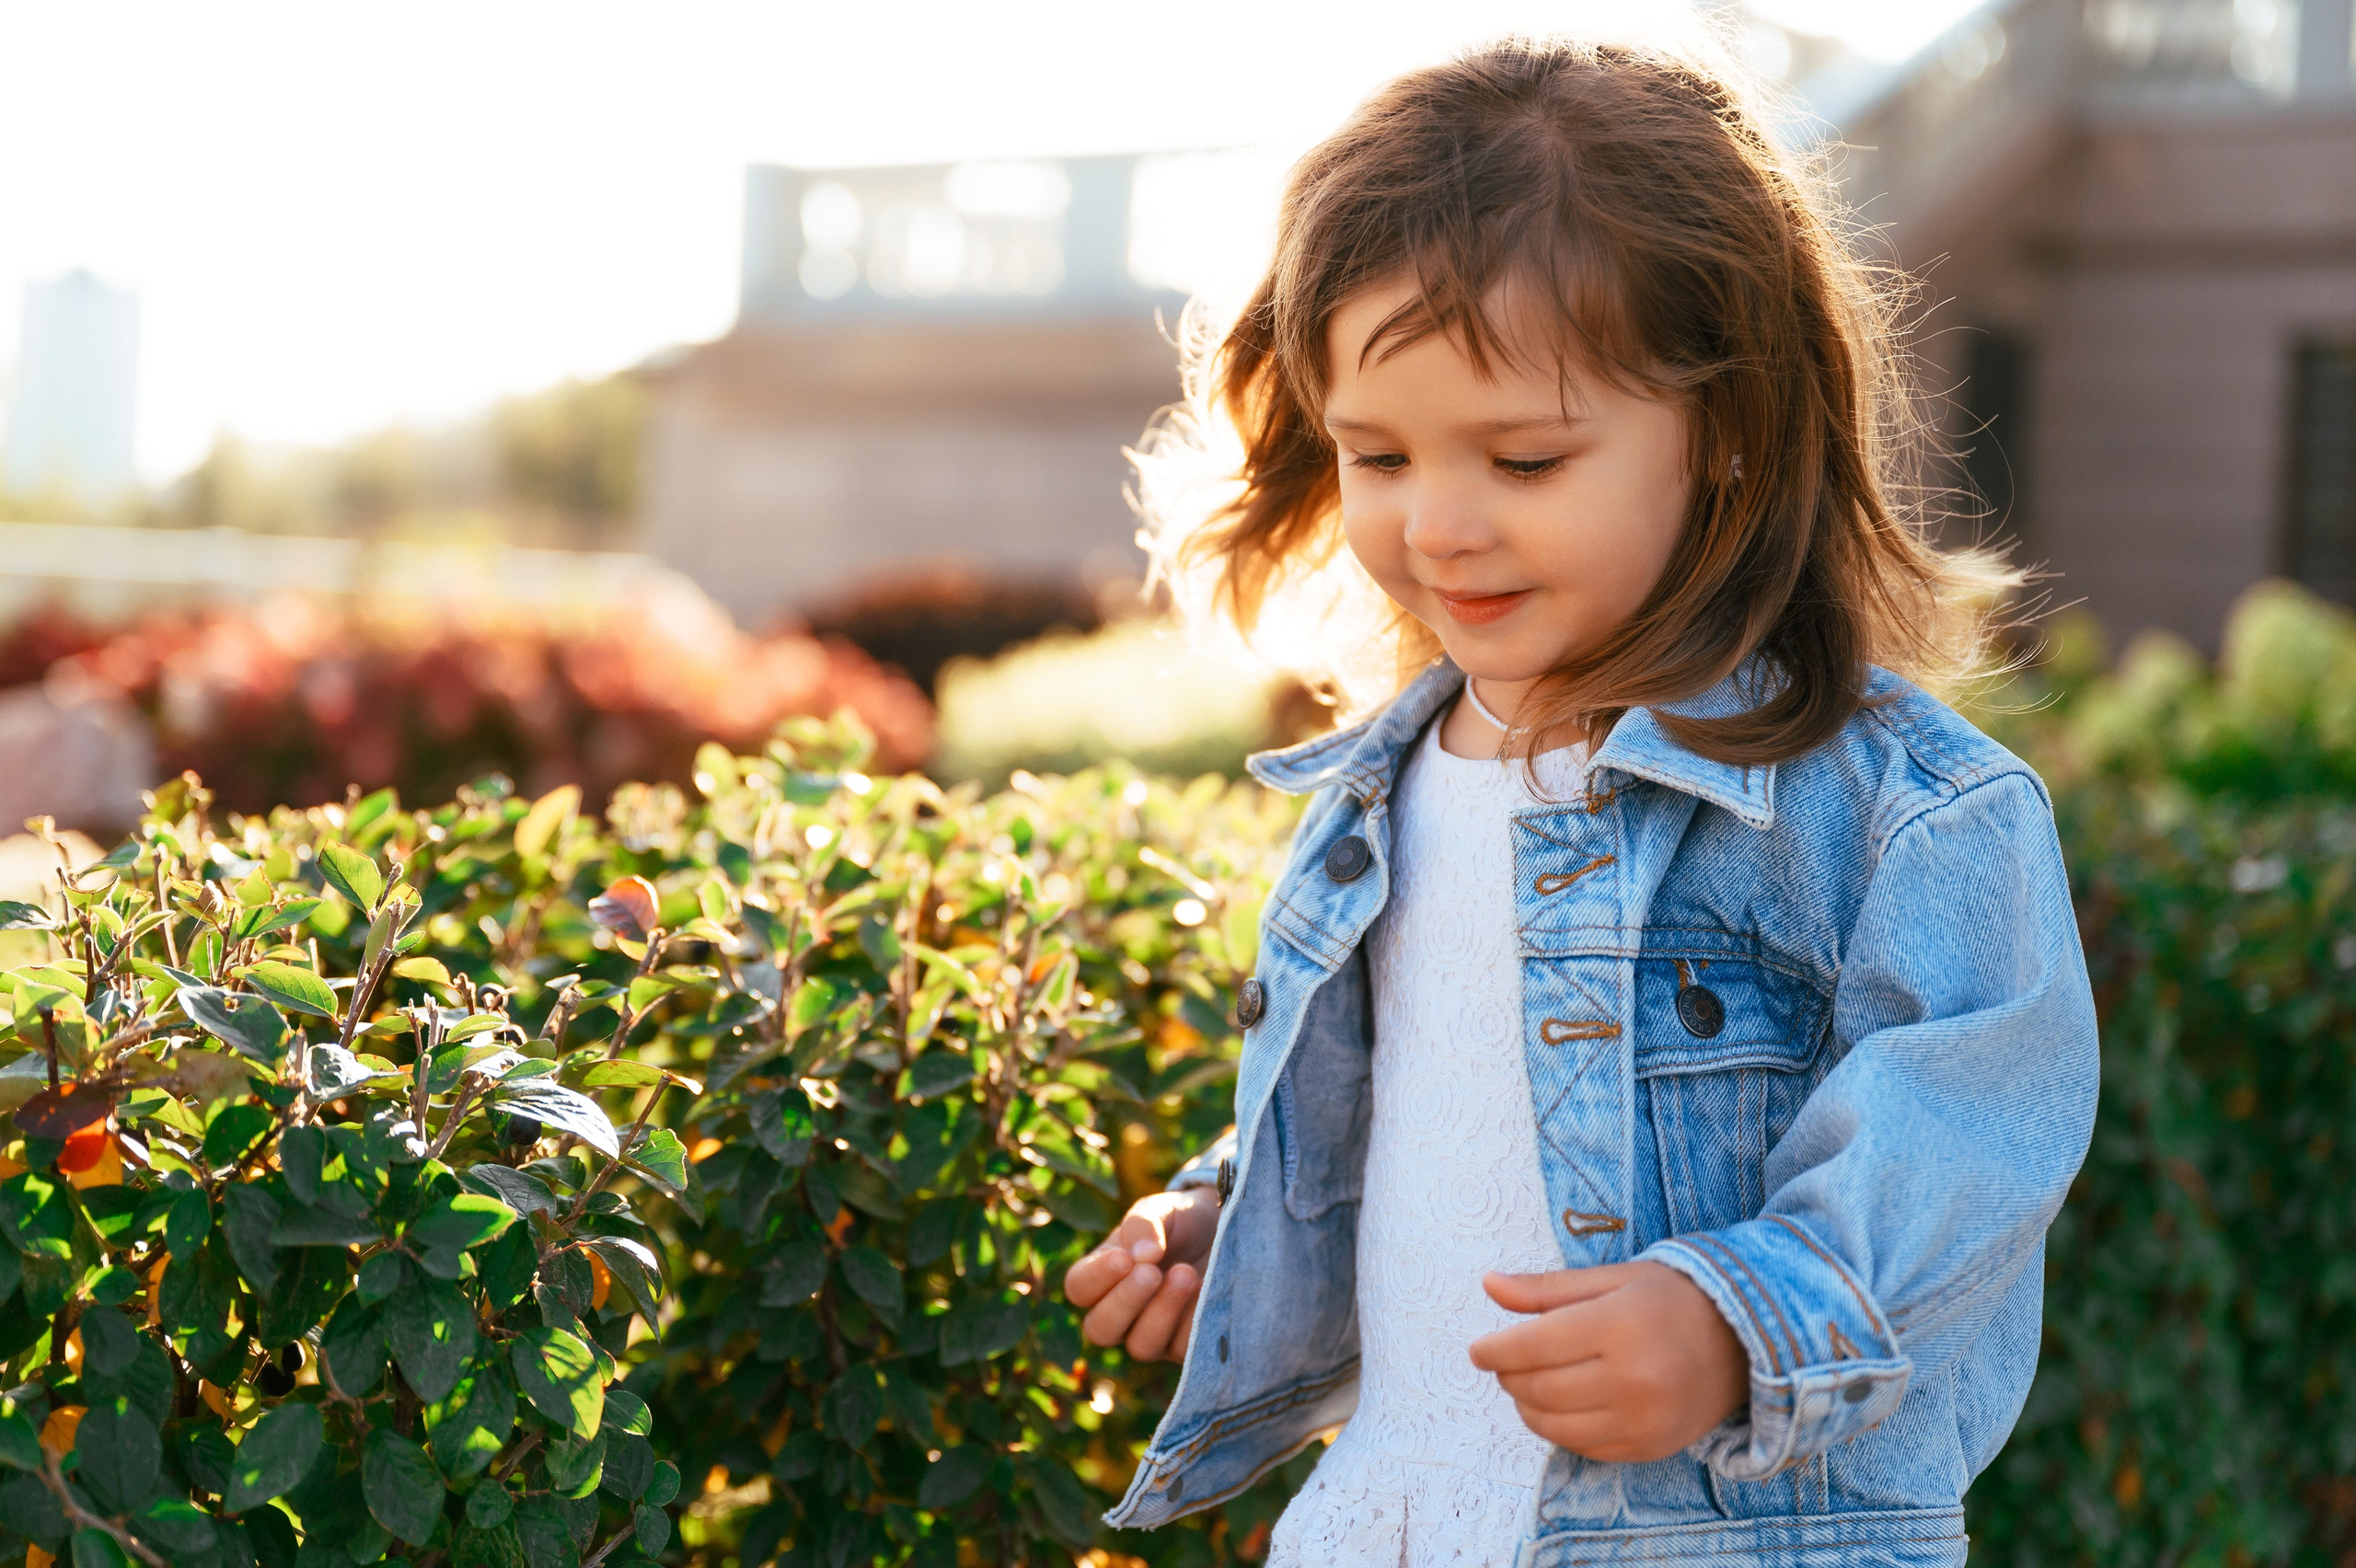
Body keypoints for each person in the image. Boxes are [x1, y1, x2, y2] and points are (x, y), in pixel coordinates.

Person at [1060, 31, 2099, 1568]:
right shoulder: (1375, 788)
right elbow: (1433, 1113)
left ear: (1729, 430)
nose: (1440, 524)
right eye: (1378, 454)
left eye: (1528, 458)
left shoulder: (1897, 811)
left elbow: (1974, 1133)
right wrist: (1244, 1218)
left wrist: (1737, 1323)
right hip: (1396, 1516)